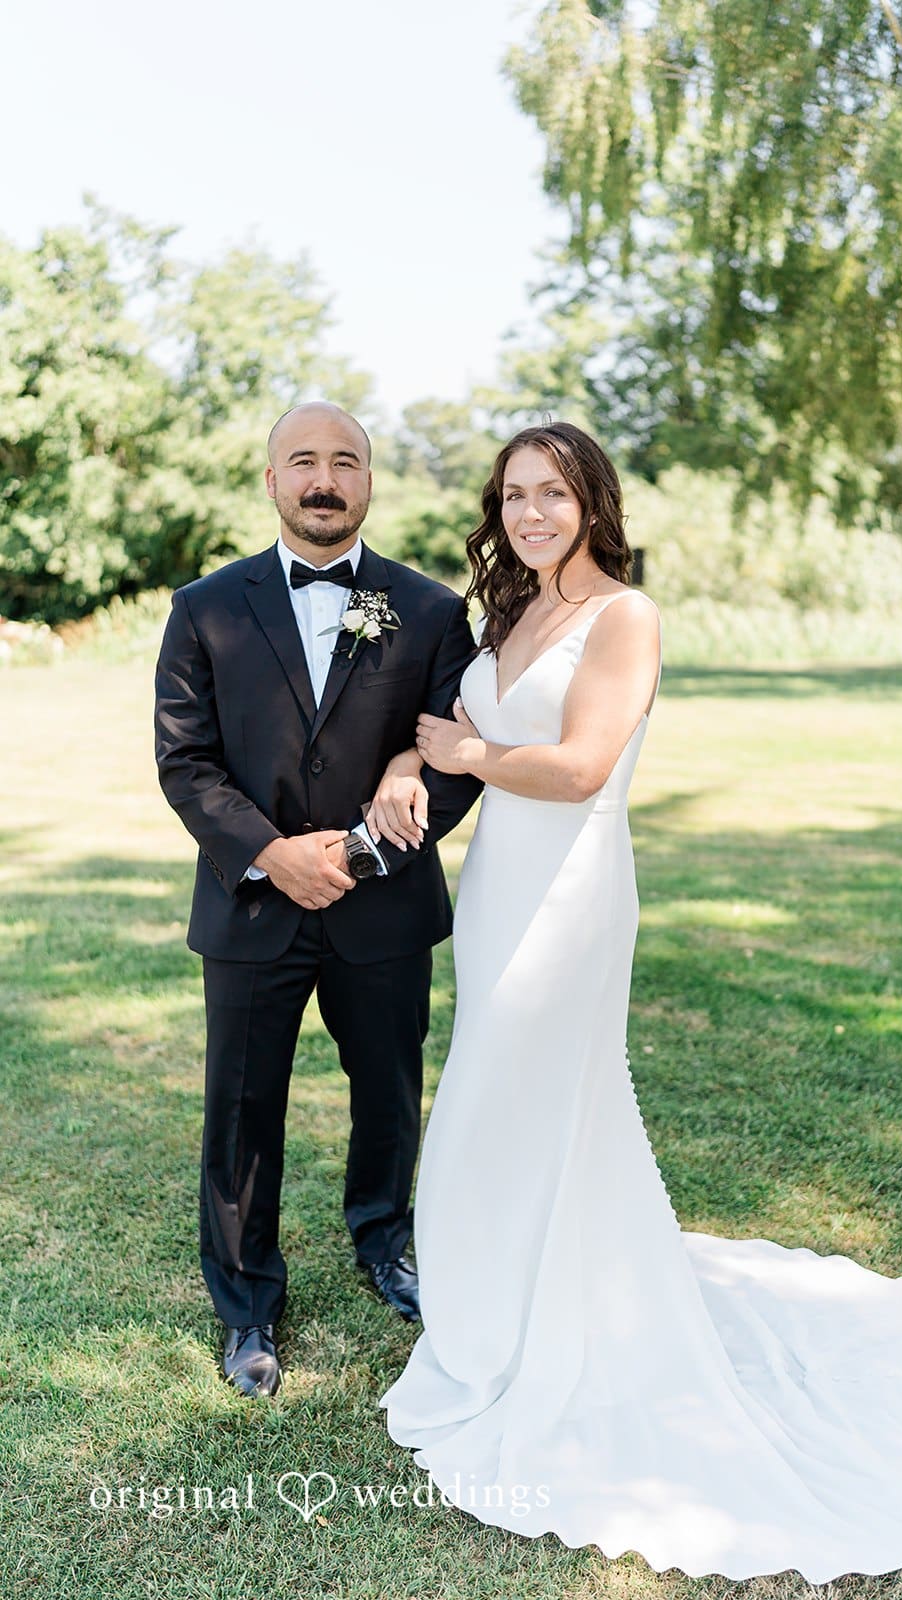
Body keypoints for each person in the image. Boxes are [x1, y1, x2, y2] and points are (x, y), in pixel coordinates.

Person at [370, 422, 902, 1584]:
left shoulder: (624, 617)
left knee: (501, 1102)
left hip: (570, 894)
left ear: (590, 503)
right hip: (495, 891)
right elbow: (441, 731)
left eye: (551, 494)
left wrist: (465, 751)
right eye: (513, 495)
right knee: (500, 1099)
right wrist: (416, 762)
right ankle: (499, 1308)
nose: (529, 514)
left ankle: (524, 1334)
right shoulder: (507, 616)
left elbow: (574, 768)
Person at [154, 402, 481, 1398]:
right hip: (252, 907)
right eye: (303, 461)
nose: (323, 478)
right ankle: (248, 1297)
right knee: (241, 1105)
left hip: (380, 907)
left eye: (345, 461)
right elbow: (186, 760)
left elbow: (454, 759)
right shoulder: (204, 607)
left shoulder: (427, 610)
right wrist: (271, 853)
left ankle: (385, 1241)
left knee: (387, 1088)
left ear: (370, 482)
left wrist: (359, 847)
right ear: (271, 480)